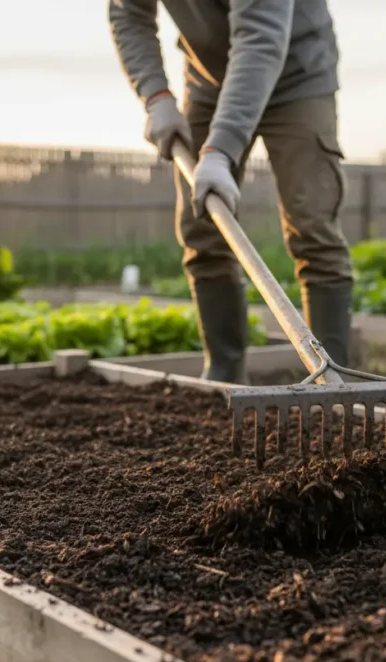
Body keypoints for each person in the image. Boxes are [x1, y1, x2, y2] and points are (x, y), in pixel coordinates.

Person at [109, 0, 354, 384]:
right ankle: (224, 370)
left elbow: (260, 37)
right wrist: (155, 96)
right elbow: (128, 13)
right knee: (202, 227)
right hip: (209, 76)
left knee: (312, 222)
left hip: (297, 72)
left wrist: (219, 149)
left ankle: (335, 379)